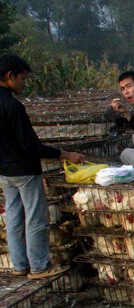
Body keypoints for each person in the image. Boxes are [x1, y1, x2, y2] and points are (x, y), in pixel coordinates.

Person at [0, 55, 84, 279]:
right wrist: (64, 154)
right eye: (23, 78)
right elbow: (31, 146)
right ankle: (39, 266)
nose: (24, 83)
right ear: (9, 76)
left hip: (5, 171)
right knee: (36, 218)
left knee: (14, 218)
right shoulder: (13, 106)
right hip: (25, 171)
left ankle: (19, 265)